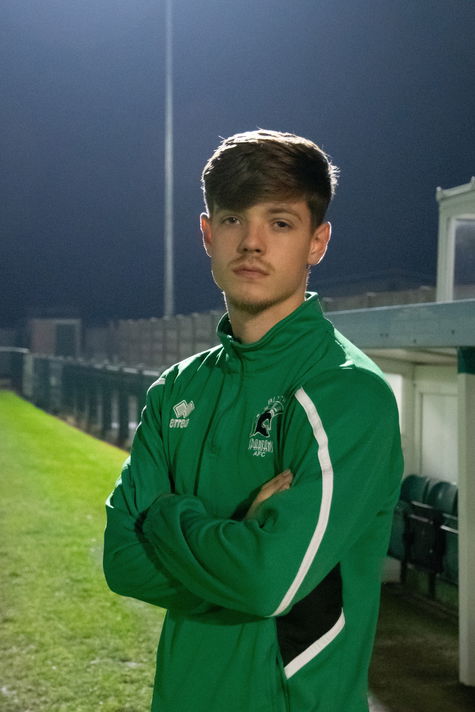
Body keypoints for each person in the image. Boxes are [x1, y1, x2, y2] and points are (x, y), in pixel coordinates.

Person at [103, 129, 403, 712]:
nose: (252, 243)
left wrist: (164, 516)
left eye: (281, 223)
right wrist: (235, 542)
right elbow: (122, 562)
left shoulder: (346, 392)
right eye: (234, 219)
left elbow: (268, 583)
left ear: (317, 242)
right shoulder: (177, 390)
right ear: (207, 234)